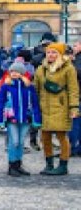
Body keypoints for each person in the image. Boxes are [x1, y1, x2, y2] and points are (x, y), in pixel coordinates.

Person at [33, 42, 80, 175]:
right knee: (45, 137)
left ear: (60, 54)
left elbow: (73, 89)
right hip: (45, 107)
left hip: (61, 106)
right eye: (49, 52)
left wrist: (74, 107)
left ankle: (63, 165)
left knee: (62, 136)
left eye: (54, 52)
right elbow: (35, 88)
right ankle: (49, 164)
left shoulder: (68, 68)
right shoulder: (41, 69)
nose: (51, 55)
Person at [0, 61, 41, 176]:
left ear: (22, 73)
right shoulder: (6, 86)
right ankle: (12, 165)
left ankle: (18, 165)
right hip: (12, 118)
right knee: (14, 141)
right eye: (12, 71)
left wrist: (37, 119)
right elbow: (0, 103)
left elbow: (35, 104)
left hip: (25, 118)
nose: (14, 73)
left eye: (16, 71)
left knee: (20, 142)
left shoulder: (29, 87)